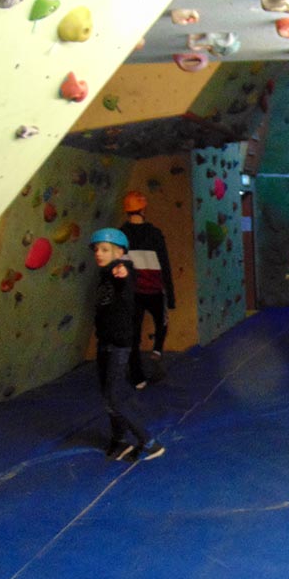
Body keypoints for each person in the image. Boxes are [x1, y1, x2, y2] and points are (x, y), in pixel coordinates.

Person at [90, 228, 166, 462]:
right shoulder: (104, 274)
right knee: (107, 395)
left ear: (120, 252)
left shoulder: (121, 270)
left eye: (105, 249)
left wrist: (124, 268)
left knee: (114, 397)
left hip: (119, 344)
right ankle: (120, 439)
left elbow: (126, 273)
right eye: (97, 250)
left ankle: (149, 441)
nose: (99, 254)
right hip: (105, 341)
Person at [120, 190, 175, 389]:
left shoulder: (121, 235)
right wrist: (171, 295)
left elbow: (117, 266)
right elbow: (164, 264)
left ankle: (138, 378)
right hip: (153, 289)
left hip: (132, 292)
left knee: (133, 335)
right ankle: (157, 350)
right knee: (162, 321)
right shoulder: (154, 233)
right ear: (143, 209)